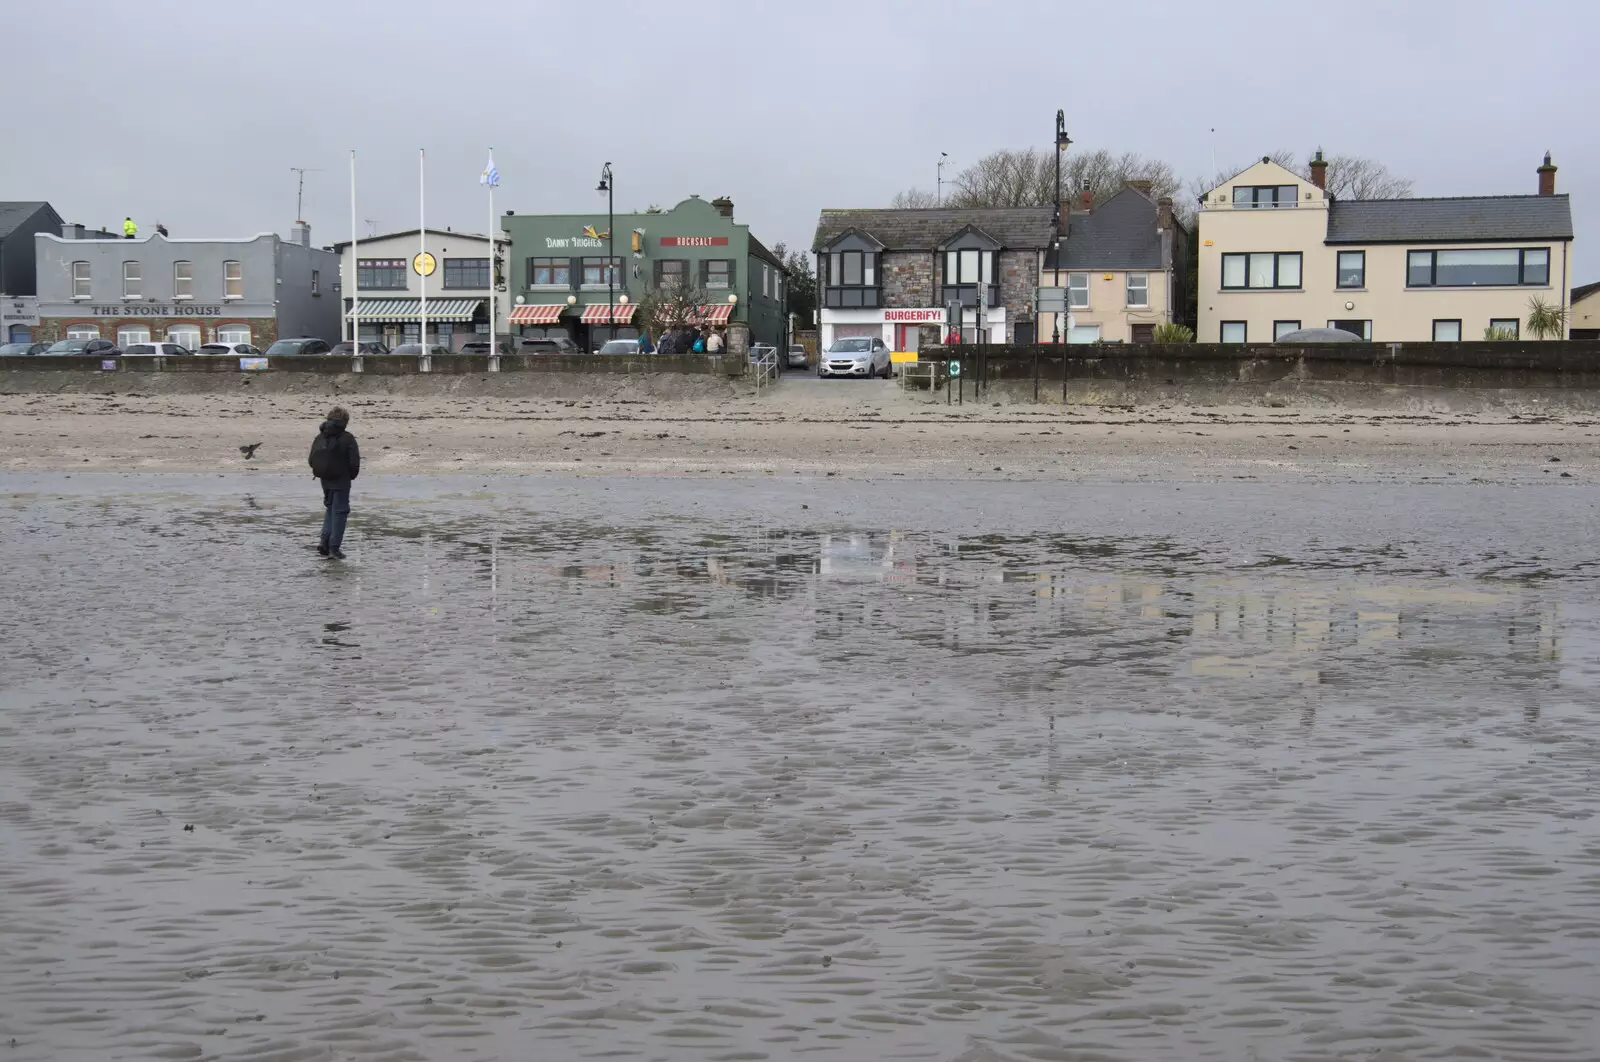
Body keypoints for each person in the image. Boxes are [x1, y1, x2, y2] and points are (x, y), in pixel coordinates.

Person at [308, 406, 360, 559]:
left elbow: (311, 460)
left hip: (324, 479)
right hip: (341, 480)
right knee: (340, 512)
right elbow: (354, 463)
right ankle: (334, 549)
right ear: (345, 421)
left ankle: (324, 542)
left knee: (330, 509)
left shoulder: (320, 437)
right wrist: (350, 476)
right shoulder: (348, 438)